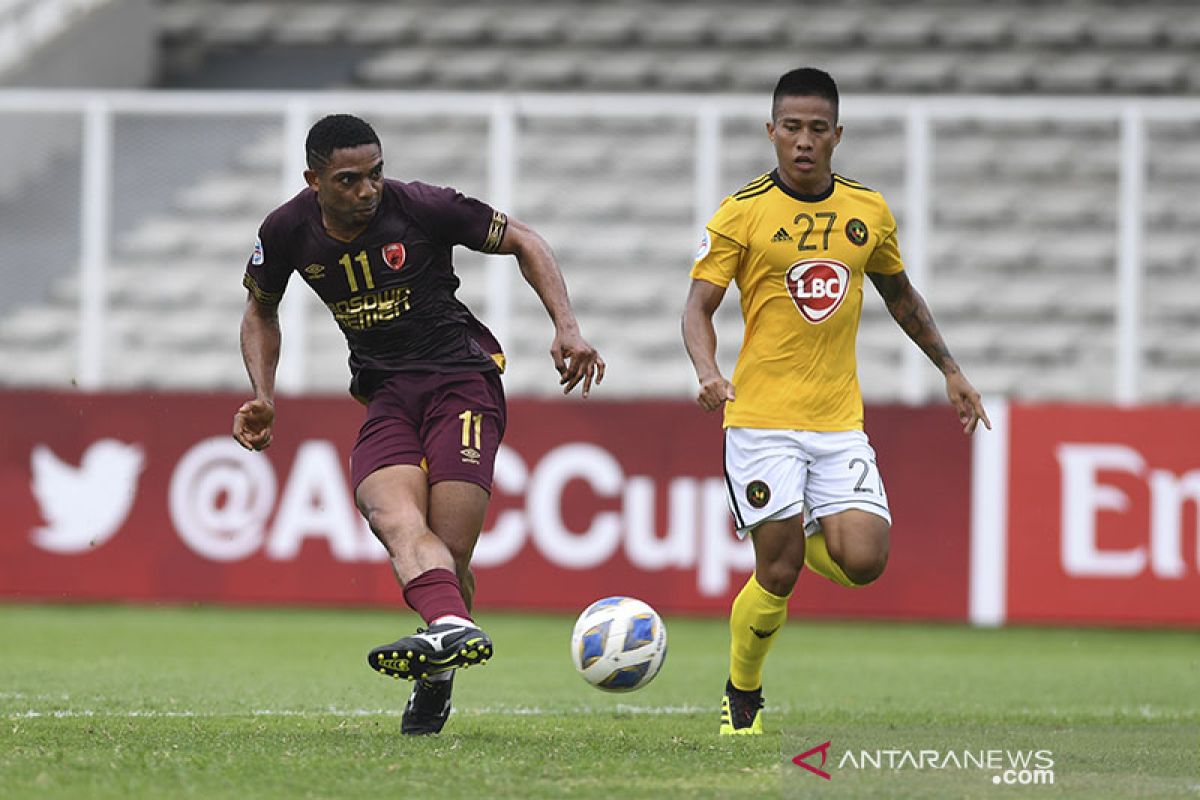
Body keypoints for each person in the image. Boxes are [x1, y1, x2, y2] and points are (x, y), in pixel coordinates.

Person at [233, 114, 604, 735]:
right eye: (349, 179)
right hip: (386, 396)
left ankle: (436, 674)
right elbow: (259, 309)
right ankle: (452, 630)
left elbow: (526, 240)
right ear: (314, 180)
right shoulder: (286, 229)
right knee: (394, 519)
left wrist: (566, 327)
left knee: (451, 553)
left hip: (462, 382)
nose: (367, 190)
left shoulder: (425, 207)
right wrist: (262, 394)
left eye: (375, 173)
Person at [681, 68, 990, 735]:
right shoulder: (741, 213)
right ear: (771, 131)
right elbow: (697, 308)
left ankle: (810, 526)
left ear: (837, 135)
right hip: (760, 421)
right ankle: (743, 692)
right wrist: (707, 370)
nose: (803, 141)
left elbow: (901, 296)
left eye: (817, 129)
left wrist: (951, 368)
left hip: (837, 422)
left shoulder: (867, 212)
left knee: (865, 561)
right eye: (790, 127)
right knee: (781, 569)